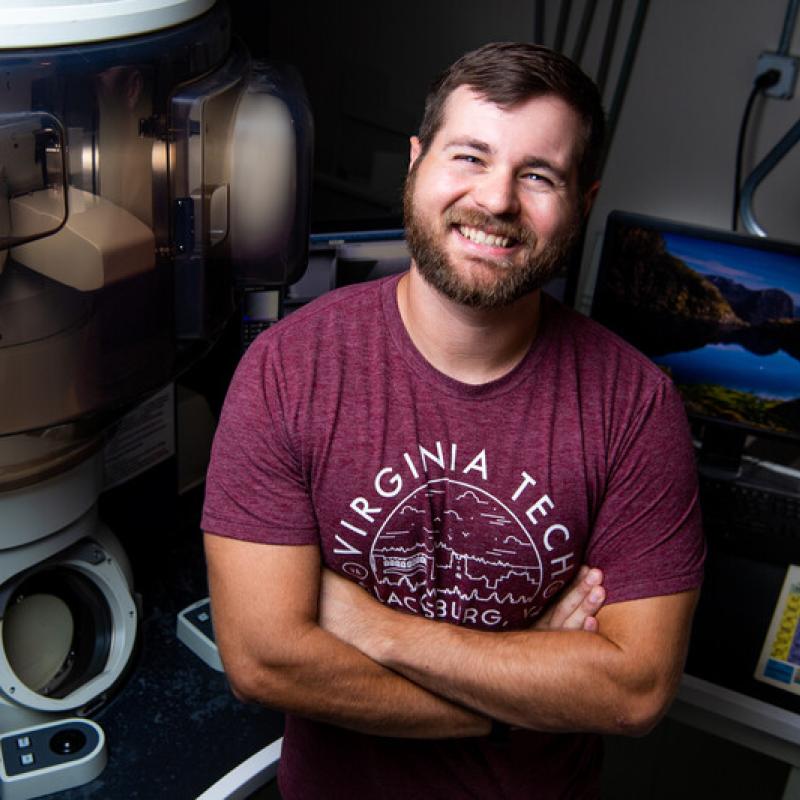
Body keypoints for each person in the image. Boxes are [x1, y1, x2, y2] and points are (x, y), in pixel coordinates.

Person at [202, 41, 705, 799]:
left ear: (584, 200)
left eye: (538, 175)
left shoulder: (634, 406)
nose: (496, 200)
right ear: (417, 161)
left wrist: (375, 627)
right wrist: (517, 695)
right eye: (469, 157)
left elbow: (633, 692)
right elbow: (264, 661)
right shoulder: (286, 370)